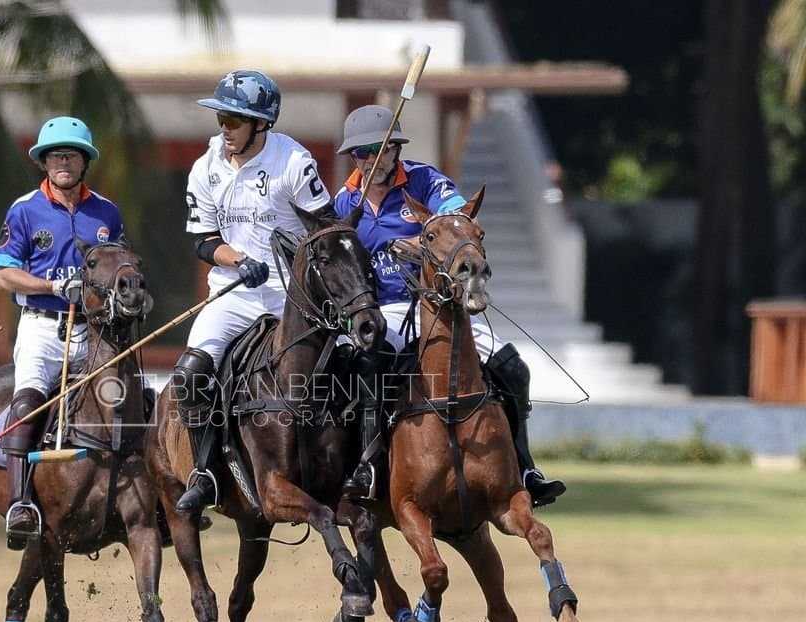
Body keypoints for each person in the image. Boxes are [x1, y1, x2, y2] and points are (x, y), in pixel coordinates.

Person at [332, 104, 565, 507]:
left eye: (379, 149)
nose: (371, 159)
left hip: (437, 304)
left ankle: (525, 466)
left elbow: (456, 219)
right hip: (382, 310)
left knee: (512, 367)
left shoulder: (423, 180)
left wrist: (421, 244)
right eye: (361, 152)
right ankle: (366, 466)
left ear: (395, 150)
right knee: (361, 369)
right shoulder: (343, 202)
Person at [172, 69, 340, 513]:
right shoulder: (205, 168)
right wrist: (239, 261)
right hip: (233, 294)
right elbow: (203, 240)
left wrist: (294, 254)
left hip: (294, 300)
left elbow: (325, 229)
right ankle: (206, 472)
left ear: (261, 123)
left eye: (233, 121)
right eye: (221, 120)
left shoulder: (293, 163)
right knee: (190, 374)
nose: (224, 130)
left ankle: (363, 466)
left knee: (351, 366)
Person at [0, 116, 125, 538]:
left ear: (84, 161)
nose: (62, 162)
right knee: (27, 404)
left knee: (130, 402)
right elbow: (4, 275)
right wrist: (54, 284)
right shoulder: (24, 209)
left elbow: (119, 269)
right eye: (54, 155)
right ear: (44, 163)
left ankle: (148, 501)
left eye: (70, 154)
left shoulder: (107, 213)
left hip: (94, 331)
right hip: (41, 328)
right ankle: (20, 505)